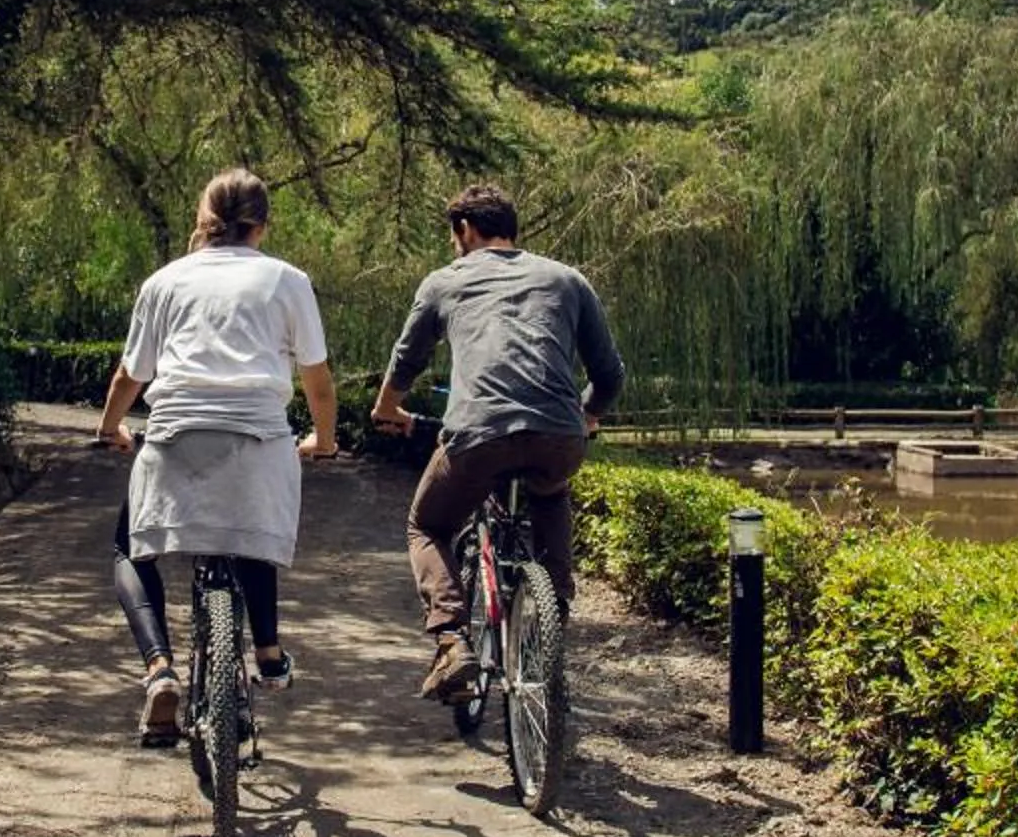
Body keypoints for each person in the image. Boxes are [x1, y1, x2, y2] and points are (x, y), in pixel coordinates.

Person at [97, 169, 340, 746]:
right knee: (248, 528)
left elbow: (131, 374)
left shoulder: (165, 281)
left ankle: (159, 668)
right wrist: (323, 441)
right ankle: (269, 652)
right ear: (262, 225)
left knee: (129, 550)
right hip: (259, 441)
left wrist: (111, 429)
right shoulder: (288, 280)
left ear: (204, 219)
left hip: (176, 437)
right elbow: (319, 382)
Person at [371, 182, 625, 702]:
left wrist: (385, 409)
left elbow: (408, 360)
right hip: (560, 432)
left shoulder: (444, 281)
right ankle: (552, 614)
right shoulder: (566, 279)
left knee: (426, 525)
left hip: (478, 435)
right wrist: (589, 414)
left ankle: (449, 641)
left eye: (453, 237)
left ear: (464, 230)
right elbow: (610, 372)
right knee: (550, 492)